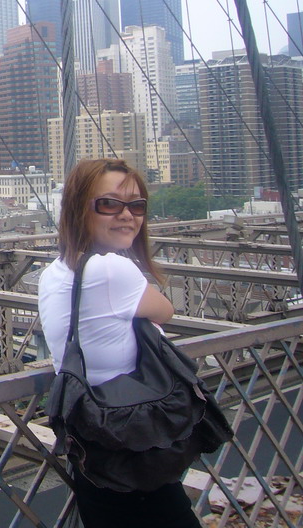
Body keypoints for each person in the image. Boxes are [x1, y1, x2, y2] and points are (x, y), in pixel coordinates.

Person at [38, 158, 200, 528]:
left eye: (137, 205)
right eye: (110, 204)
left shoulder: (55, 271)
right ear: (80, 207)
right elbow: (166, 310)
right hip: (134, 438)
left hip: (92, 443)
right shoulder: (113, 268)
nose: (128, 215)